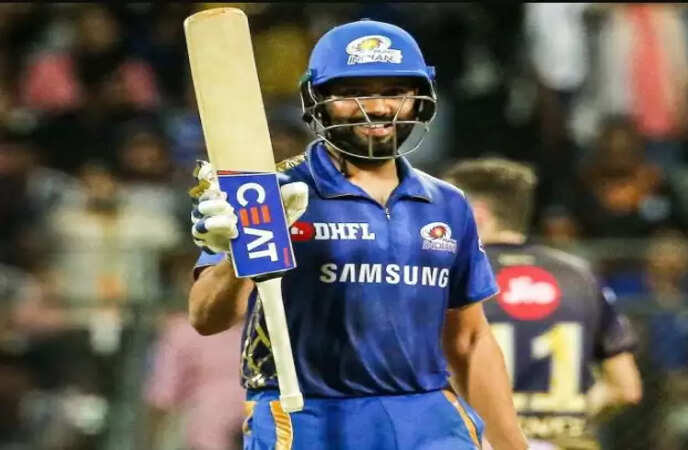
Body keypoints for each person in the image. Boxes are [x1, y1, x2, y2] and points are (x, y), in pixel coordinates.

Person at [187, 18, 527, 450]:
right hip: (307, 414)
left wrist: (513, 445)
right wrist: (238, 255)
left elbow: (470, 340)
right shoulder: (270, 192)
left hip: (428, 418)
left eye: (394, 92)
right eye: (354, 93)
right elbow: (206, 318)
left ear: (420, 99)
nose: (377, 108)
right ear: (318, 100)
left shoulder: (447, 203)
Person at [443, 158, 642, 450]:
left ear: (478, 214)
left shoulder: (450, 277)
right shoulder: (581, 276)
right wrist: (563, 422)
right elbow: (625, 388)